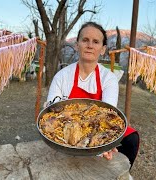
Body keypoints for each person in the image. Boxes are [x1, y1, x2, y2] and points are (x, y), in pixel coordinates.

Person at [46, 21, 140, 167]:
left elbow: (108, 114)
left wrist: (104, 143)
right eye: (85, 40)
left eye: (95, 42)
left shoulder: (108, 78)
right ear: (77, 45)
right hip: (69, 126)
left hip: (98, 125)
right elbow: (52, 111)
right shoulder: (62, 76)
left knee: (131, 138)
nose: (90, 45)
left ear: (103, 49)